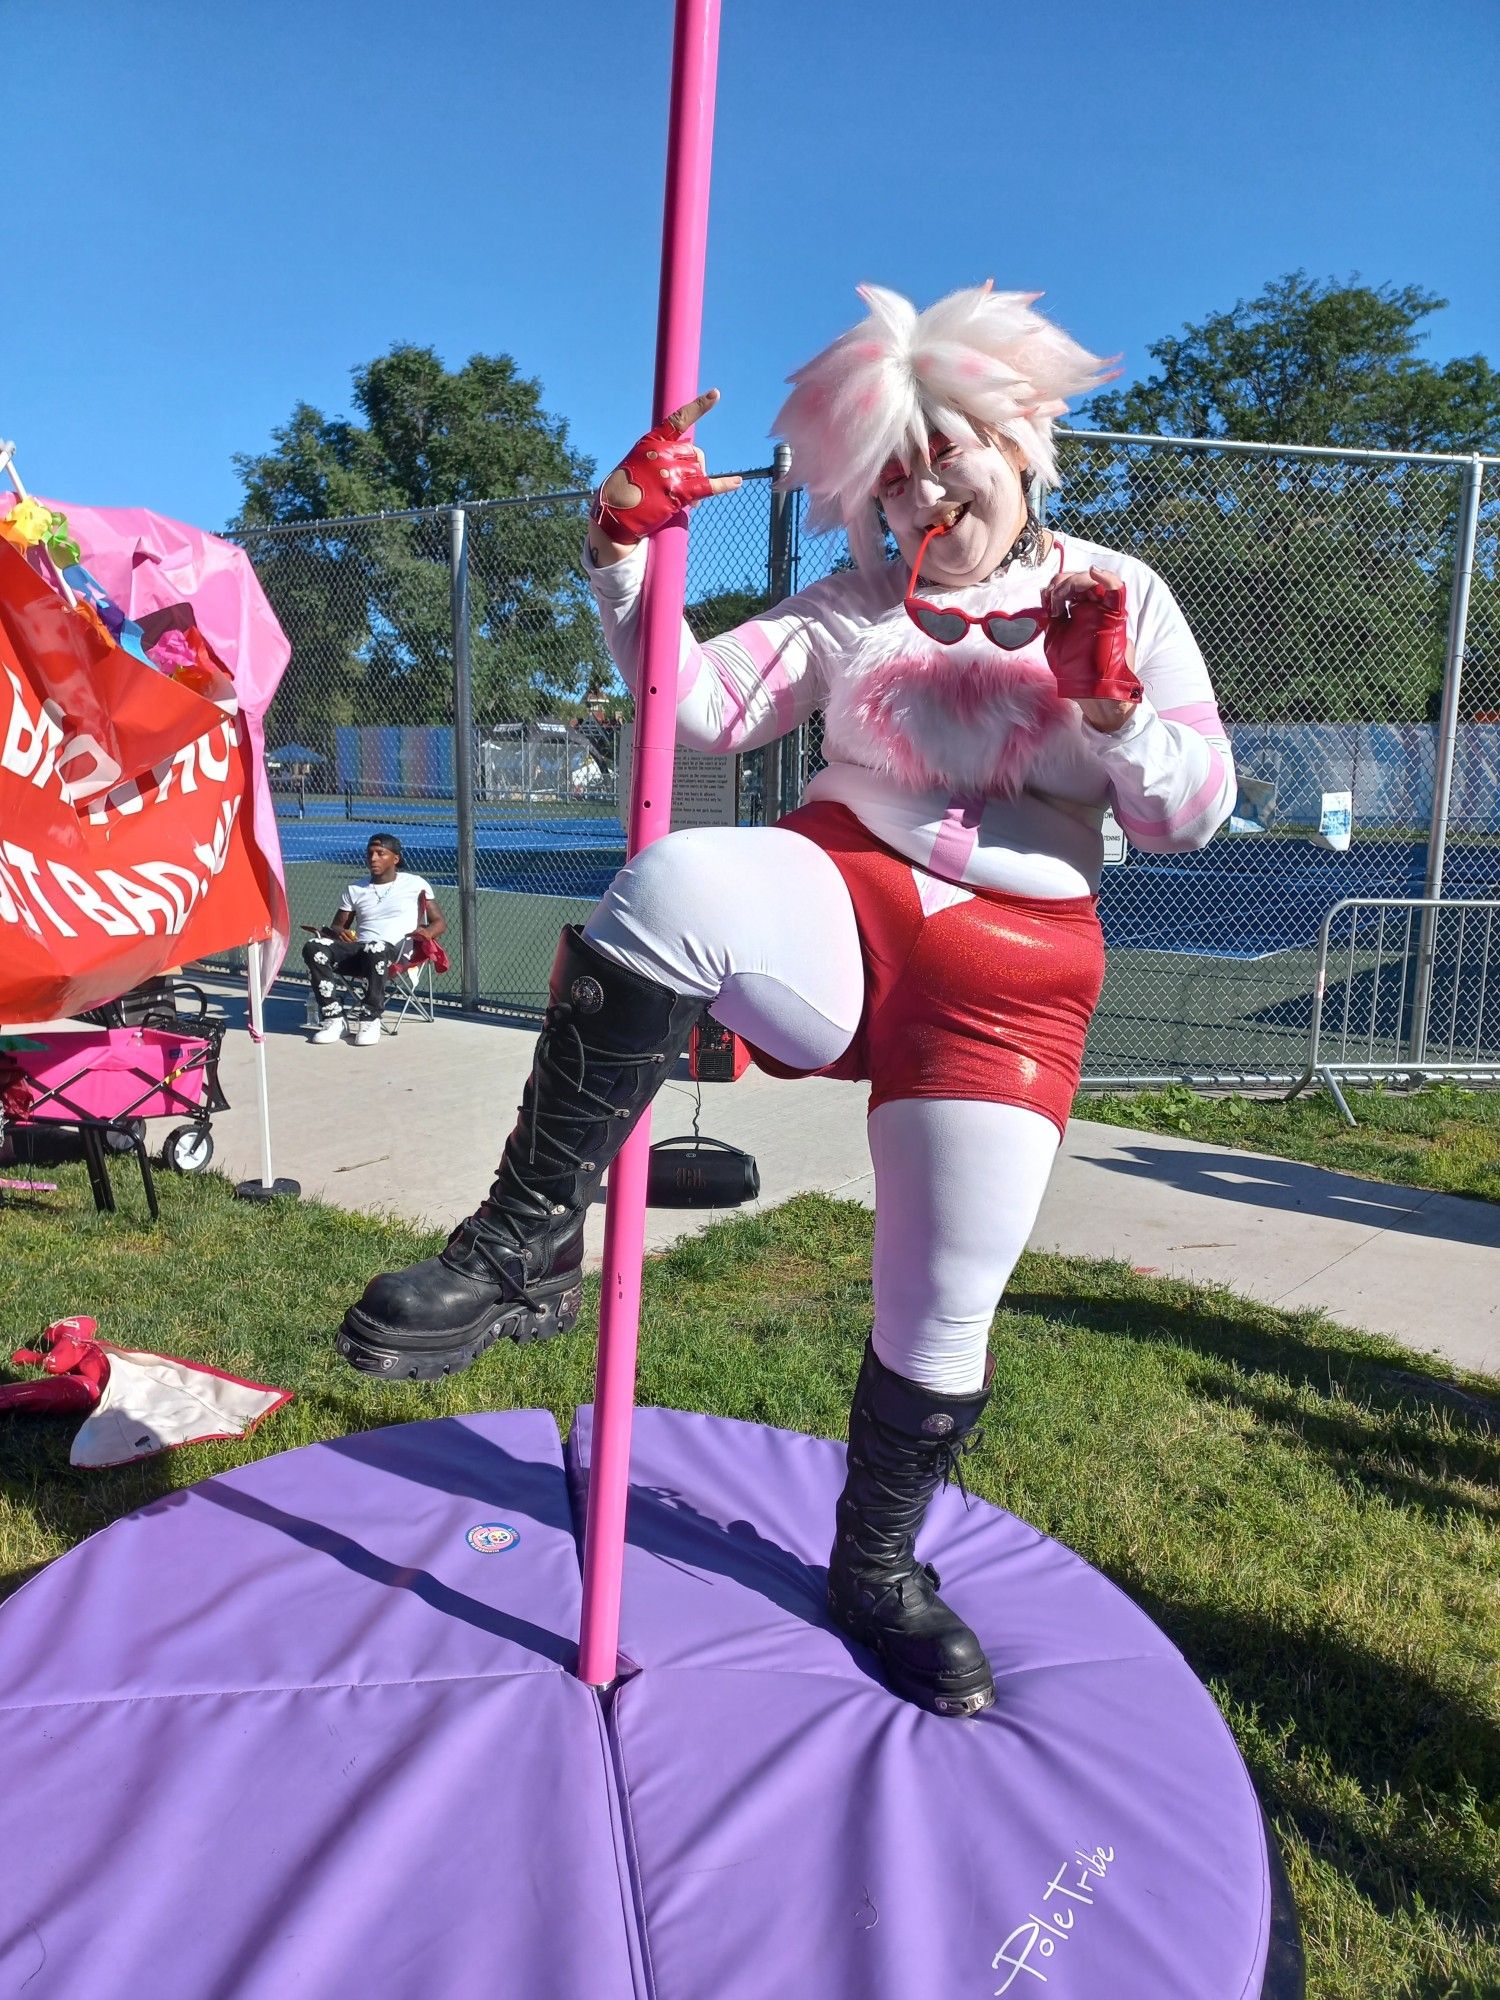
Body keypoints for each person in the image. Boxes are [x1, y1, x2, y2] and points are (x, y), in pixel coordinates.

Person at [337, 284, 1235, 1717]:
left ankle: (876, 1571)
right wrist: (623, 547)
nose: (927, 485)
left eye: (951, 448)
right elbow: (691, 704)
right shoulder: (851, 608)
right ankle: (522, 1244)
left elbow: (1191, 815)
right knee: (681, 878)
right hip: (843, 905)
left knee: (943, 1307)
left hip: (1015, 977)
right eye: (894, 466)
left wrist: (1115, 709)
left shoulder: (1117, 593)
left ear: (1020, 444)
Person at [303, 834, 446, 1046]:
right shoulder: (355, 889)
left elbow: (439, 922)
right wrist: (339, 931)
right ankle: (334, 1018)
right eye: (370, 853)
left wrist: (426, 933)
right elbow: (338, 926)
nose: (373, 858)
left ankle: (370, 1017)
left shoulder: (415, 884)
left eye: (380, 853)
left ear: (395, 858)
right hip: (359, 951)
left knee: (375, 947)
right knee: (314, 947)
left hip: (395, 952)